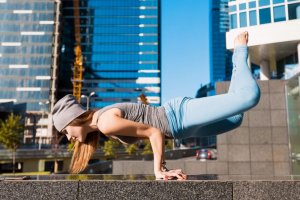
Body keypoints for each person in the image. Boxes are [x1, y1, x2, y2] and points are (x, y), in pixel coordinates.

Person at [52, 32, 260, 180]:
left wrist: (158, 171)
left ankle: (239, 52)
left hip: (177, 116)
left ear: (73, 119)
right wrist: (165, 170)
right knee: (236, 118)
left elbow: (154, 132)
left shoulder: (106, 122)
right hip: (180, 130)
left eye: (65, 131)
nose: (68, 137)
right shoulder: (102, 123)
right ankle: (237, 74)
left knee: (249, 97)